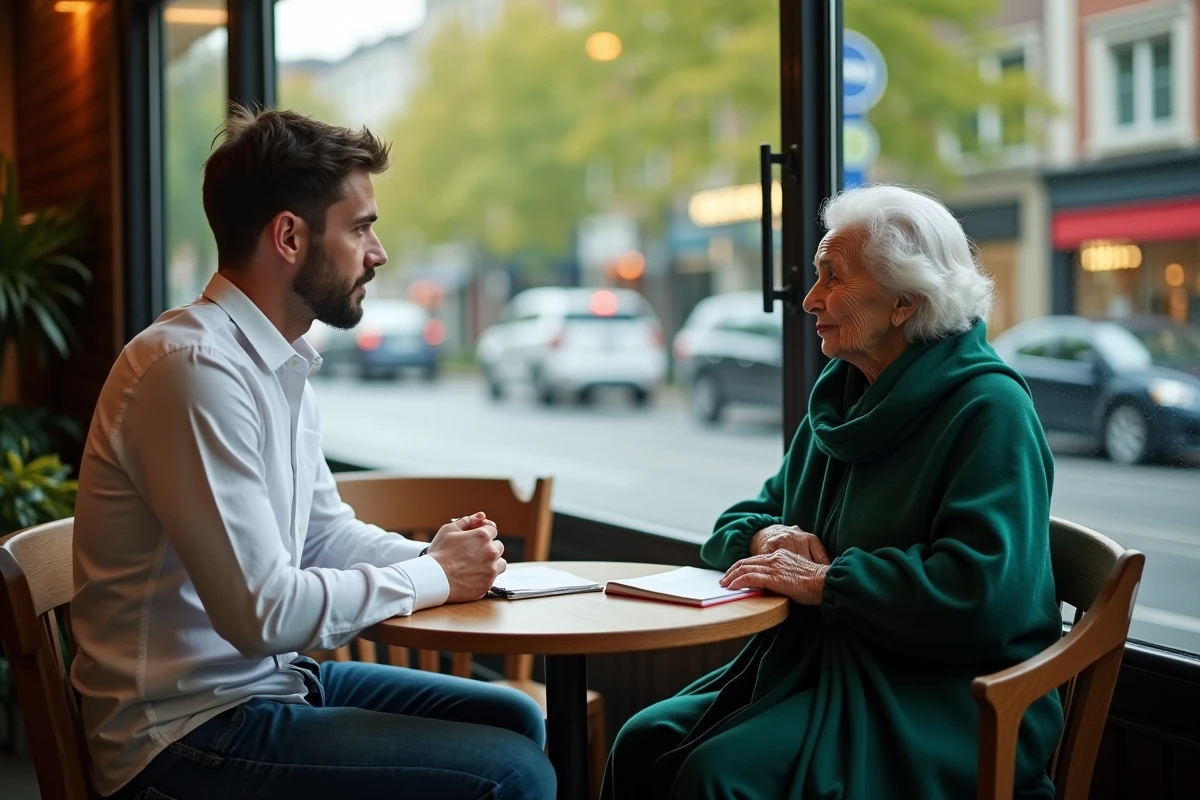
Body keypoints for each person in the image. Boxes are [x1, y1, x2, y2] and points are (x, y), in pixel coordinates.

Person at [69, 105, 555, 800]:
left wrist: (439, 562)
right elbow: (262, 613)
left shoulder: (277, 361)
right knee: (514, 774)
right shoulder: (192, 369)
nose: (378, 253)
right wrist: (437, 578)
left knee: (511, 714)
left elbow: (322, 532)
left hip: (268, 683)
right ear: (290, 236)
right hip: (182, 735)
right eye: (361, 228)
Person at [602, 185, 1065, 799]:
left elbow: (982, 595)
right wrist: (771, 536)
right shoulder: (845, 396)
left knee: (716, 776)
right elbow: (735, 525)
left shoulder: (990, 409)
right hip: (825, 665)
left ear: (904, 301)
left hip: (948, 696)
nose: (809, 299)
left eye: (831, 278)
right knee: (641, 738)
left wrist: (825, 582)